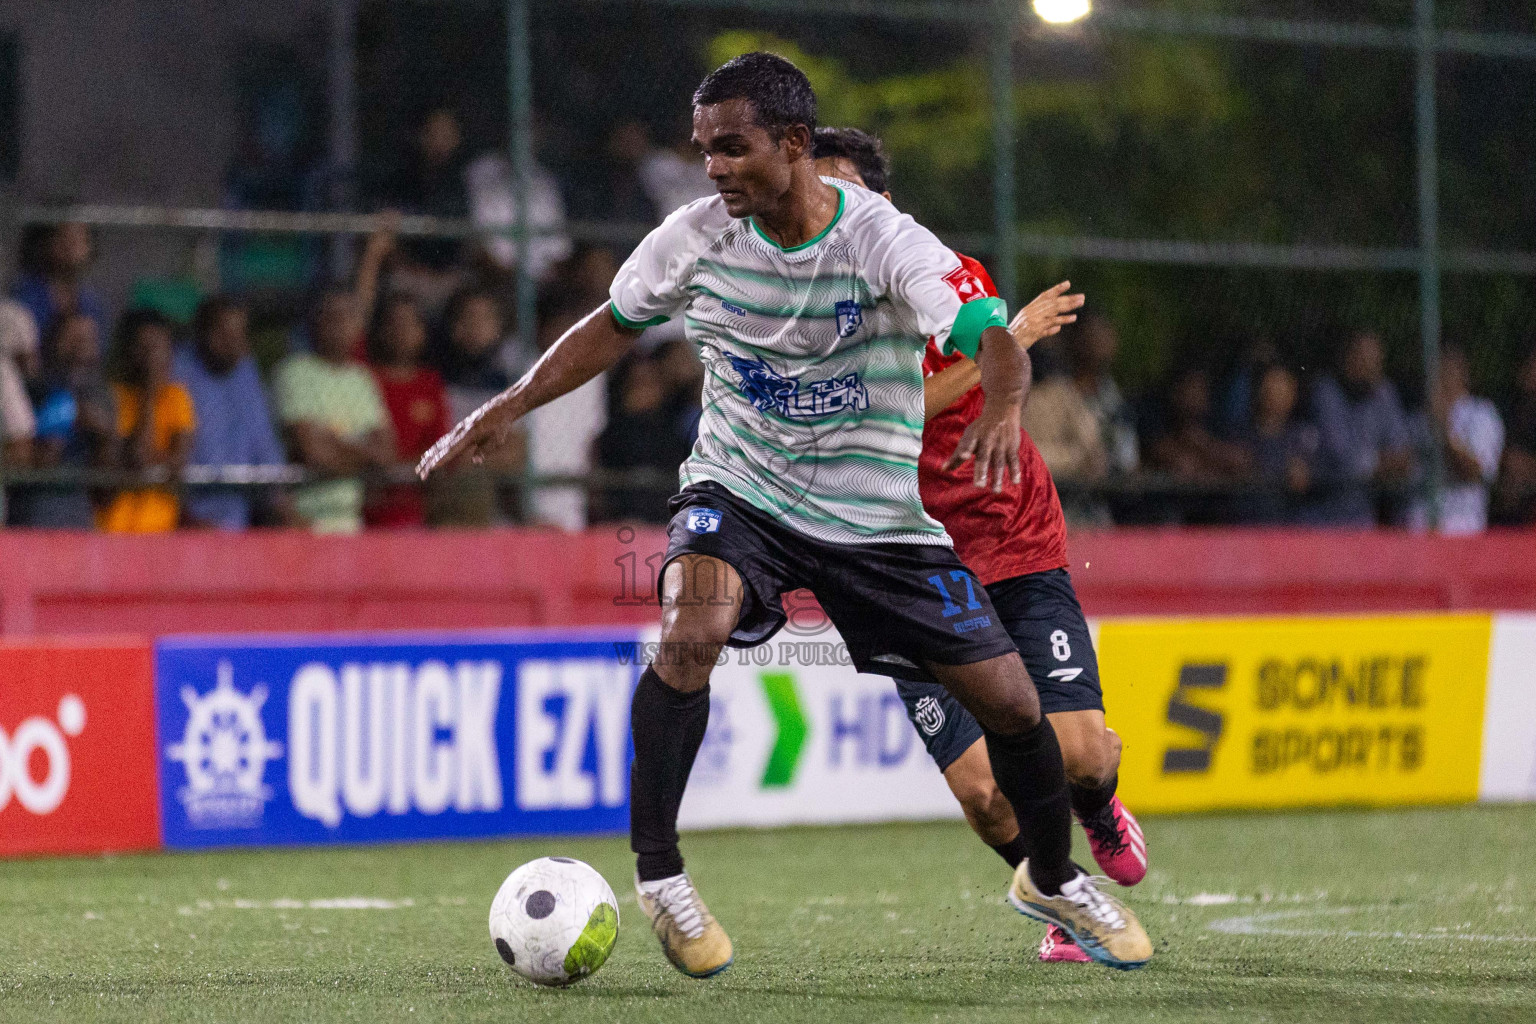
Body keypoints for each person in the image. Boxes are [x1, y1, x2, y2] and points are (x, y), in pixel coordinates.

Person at [419, 53, 1151, 974]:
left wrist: (1005, 403)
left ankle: (1052, 877)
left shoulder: (885, 241)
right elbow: (612, 321)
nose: (711, 168)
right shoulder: (693, 236)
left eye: (731, 149)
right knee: (692, 628)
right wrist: (506, 405)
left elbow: (990, 339)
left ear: (793, 144)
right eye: (702, 151)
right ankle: (661, 879)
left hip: (875, 518)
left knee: (1013, 707)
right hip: (742, 490)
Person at [814, 125, 1147, 965]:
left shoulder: (942, 270)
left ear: (884, 203)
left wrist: (1014, 351)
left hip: (1012, 542)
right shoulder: (807, 316)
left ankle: (1099, 808)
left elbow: (991, 355)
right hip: (901, 565)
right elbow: (881, 418)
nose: (830, 212)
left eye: (845, 192)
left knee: (1082, 755)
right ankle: (1067, 899)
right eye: (817, 198)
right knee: (986, 799)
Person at [275, 291, 393, 533]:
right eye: (331, 317)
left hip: (352, 524)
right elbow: (313, 452)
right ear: (314, 322)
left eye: (347, 318)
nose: (339, 326)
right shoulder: (294, 372)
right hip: (304, 523)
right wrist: (363, 452)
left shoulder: (362, 379)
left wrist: (332, 442)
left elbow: (387, 453)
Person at [173, 296, 294, 530]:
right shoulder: (178, 370)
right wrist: (187, 519)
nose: (232, 343)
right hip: (187, 523)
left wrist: (283, 507)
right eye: (223, 334)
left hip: (241, 523)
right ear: (200, 332)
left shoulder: (246, 371)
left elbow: (265, 449)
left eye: (239, 335)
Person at [11, 310, 117, 529]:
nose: (81, 348)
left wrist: (103, 437)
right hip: (30, 519)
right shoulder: (26, 390)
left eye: (88, 340)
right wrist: (56, 425)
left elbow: (106, 493)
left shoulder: (102, 396)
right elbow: (30, 461)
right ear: (51, 343)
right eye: (72, 339)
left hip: (77, 522)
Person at [98, 310, 196, 534]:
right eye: (146, 348)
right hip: (114, 529)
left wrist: (159, 461)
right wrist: (149, 394)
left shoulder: (177, 397)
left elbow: (179, 461)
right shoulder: (114, 397)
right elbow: (138, 457)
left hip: (160, 530)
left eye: (162, 347)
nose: (155, 357)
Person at [1311, 329, 1415, 526]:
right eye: (1361, 359)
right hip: (1325, 514)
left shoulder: (1385, 393)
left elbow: (1402, 453)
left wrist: (1382, 463)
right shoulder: (1325, 392)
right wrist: (1382, 462)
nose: (1368, 368)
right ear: (1346, 359)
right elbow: (1342, 457)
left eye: (1374, 361)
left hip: (1366, 515)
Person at [367, 293, 449, 528]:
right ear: (380, 330)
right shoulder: (365, 378)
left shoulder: (431, 384)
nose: (401, 332)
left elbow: (439, 446)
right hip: (367, 506)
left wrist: (396, 469)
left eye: (410, 324)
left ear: (423, 333)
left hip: (416, 509)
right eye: (394, 323)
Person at [1408, 346, 1503, 535]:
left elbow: (1475, 472)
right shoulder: (1418, 418)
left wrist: (1444, 429)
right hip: (1417, 523)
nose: (1439, 379)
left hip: (1462, 525)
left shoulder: (1482, 414)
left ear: (1462, 375)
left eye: (1447, 371)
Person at [1237, 362, 1320, 525]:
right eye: (1271, 386)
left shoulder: (1304, 435)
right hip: (1245, 527)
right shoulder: (1239, 435)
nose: (1275, 393)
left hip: (1290, 529)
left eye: (1283, 387)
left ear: (1294, 393)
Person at [11, 222, 110, 348]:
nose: (71, 247)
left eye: (79, 238)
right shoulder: (25, 295)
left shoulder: (90, 301)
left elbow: (98, 351)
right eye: (64, 237)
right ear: (45, 242)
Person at [1493, 346, 1536, 525]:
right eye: (1531, 366)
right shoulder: (1505, 407)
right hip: (1505, 497)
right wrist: (1505, 459)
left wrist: (1527, 465)